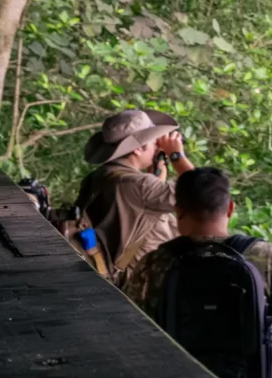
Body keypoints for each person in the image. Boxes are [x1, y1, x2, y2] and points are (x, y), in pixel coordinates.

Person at [120, 166, 272, 378]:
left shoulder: (157, 261)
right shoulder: (265, 256)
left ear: (177, 210)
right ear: (230, 208)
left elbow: (133, 328)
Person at [75, 108, 196, 280]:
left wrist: (156, 177)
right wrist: (176, 155)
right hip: (134, 282)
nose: (157, 147)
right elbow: (201, 192)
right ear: (138, 149)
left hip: (105, 270)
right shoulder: (141, 185)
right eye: (154, 142)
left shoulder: (98, 176)